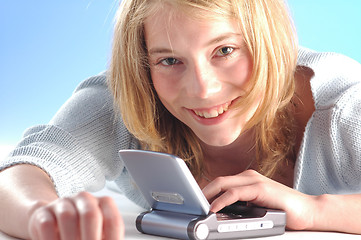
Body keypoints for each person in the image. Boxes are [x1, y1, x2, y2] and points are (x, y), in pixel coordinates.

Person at [1, 0, 361, 239]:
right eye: (170, 61)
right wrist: (42, 218)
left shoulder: (343, 105)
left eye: (225, 50)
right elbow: (19, 175)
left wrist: (314, 210)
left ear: (267, 40)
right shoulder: (125, 98)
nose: (202, 90)